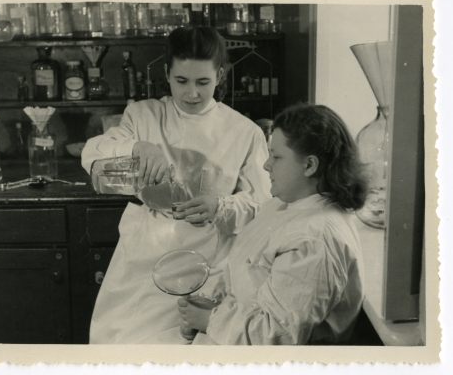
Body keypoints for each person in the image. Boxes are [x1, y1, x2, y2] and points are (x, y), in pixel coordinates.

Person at [81, 26, 271, 344]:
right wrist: (136, 147)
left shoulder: (245, 131)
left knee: (188, 346)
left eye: (203, 82)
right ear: (167, 74)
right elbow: (93, 153)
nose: (192, 93)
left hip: (208, 256)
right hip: (145, 250)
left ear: (220, 75)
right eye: (182, 81)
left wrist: (220, 206)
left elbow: (263, 203)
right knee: (123, 342)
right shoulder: (142, 116)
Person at [178, 104, 368, 345]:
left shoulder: (315, 240)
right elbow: (247, 271)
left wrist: (209, 320)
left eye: (276, 157)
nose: (266, 165)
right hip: (232, 333)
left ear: (309, 165)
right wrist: (210, 306)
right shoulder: (283, 205)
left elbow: (276, 337)